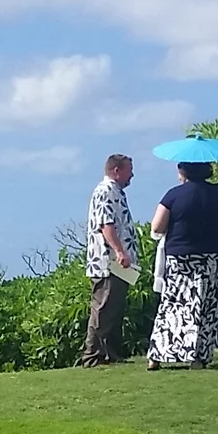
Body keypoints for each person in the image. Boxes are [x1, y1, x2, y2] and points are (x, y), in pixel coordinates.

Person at [145, 162, 218, 370]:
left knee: (172, 304)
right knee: (204, 305)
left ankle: (157, 354)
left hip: (179, 255)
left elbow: (157, 226)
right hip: (211, 255)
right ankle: (198, 356)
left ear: (184, 171)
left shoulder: (173, 195)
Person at [79, 154, 139, 366]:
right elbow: (106, 225)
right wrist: (120, 252)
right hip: (108, 263)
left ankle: (110, 353)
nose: (132, 175)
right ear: (117, 170)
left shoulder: (116, 192)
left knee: (114, 309)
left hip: (117, 264)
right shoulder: (105, 191)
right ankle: (92, 355)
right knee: (103, 309)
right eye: (129, 170)